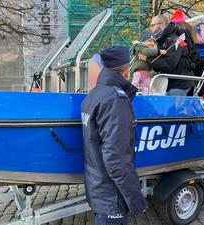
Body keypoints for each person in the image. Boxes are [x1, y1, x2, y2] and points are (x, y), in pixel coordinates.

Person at [81, 46, 147, 225]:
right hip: (112, 196)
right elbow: (116, 159)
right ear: (126, 71)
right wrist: (136, 200)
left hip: (98, 189)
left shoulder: (93, 96)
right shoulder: (115, 100)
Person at [147, 15, 198, 96]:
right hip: (171, 82)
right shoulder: (164, 39)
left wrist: (149, 60)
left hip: (179, 83)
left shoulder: (174, 39)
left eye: (152, 25)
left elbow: (170, 63)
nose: (150, 28)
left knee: (174, 108)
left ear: (161, 24)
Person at [131, 30, 167, 94]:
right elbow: (146, 51)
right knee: (135, 83)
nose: (152, 43)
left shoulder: (152, 51)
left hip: (147, 73)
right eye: (149, 41)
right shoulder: (140, 47)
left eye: (153, 41)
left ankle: (146, 97)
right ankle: (130, 93)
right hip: (139, 71)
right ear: (143, 41)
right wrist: (158, 52)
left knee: (146, 86)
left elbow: (153, 60)